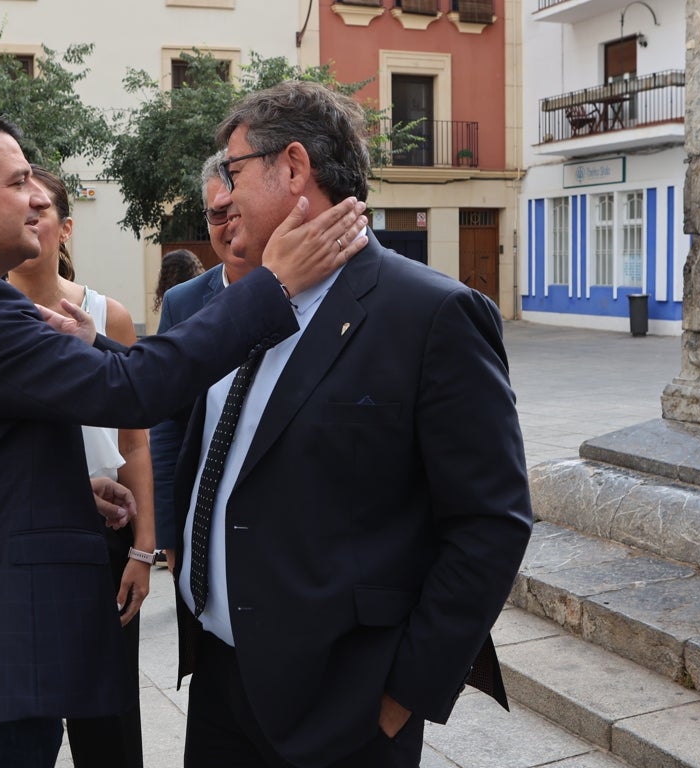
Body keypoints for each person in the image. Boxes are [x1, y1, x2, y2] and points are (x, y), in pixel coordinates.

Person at [0, 109, 365, 768]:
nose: (35, 200)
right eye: (16, 184)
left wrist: (62, 489)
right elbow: (136, 391)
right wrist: (274, 285)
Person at [171, 80, 534, 768]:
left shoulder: (430, 314)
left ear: (296, 168)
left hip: (345, 705)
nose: (219, 195)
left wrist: (403, 695)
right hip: (220, 679)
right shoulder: (242, 305)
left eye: (233, 171)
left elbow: (491, 521)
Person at [7, 165, 152, 768]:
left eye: (43, 207)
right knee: (24, 717)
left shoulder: (106, 315)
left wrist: (146, 546)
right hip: (21, 537)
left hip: (107, 536)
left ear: (65, 228)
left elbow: (135, 440)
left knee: (110, 724)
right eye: (21, 203)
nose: (30, 215)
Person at [149, 151, 258, 573]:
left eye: (238, 211)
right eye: (217, 214)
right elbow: (167, 423)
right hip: (202, 526)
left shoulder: (306, 290)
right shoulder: (184, 302)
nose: (230, 226)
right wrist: (168, 531)